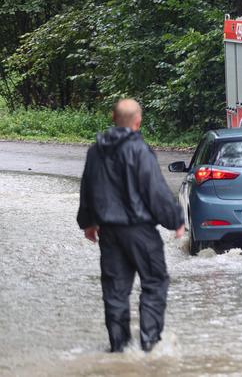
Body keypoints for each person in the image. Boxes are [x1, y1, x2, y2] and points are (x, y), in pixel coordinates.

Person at [77, 99, 185, 353]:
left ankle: (119, 347)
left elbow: (87, 188)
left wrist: (88, 223)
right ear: (138, 121)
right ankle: (148, 345)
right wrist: (175, 220)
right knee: (155, 282)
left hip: (109, 233)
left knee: (115, 291)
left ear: (113, 117)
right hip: (140, 231)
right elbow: (154, 190)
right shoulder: (140, 150)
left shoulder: (96, 151)